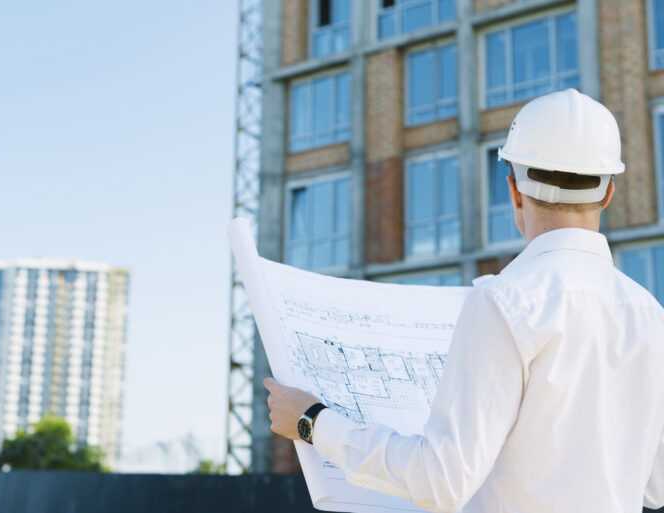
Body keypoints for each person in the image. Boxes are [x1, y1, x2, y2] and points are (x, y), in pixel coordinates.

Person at [264, 88, 664, 513]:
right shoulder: (649, 315)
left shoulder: (505, 302)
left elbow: (441, 480)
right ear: (607, 194)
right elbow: (656, 485)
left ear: (513, 191)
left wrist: (313, 421)